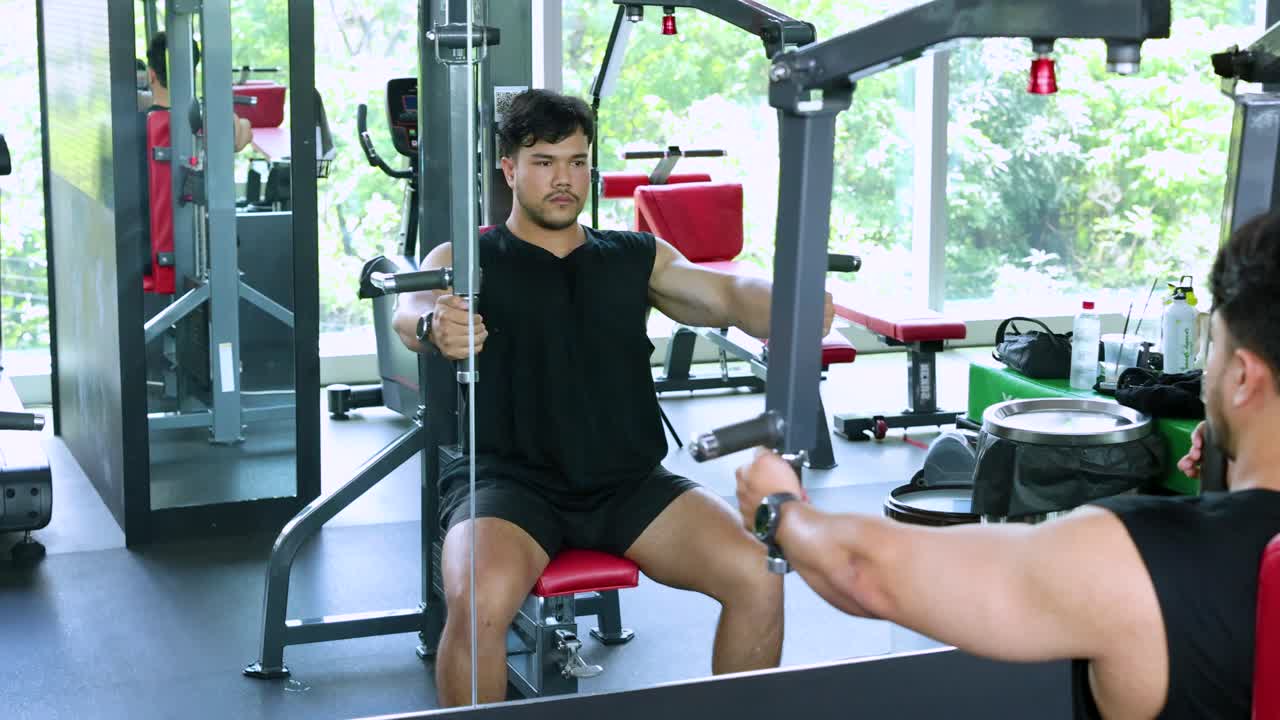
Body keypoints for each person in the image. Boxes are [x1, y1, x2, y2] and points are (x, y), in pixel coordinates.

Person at [735, 209, 1280, 719]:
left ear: (1242, 378)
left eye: (1212, 352)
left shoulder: (1138, 560)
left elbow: (865, 574)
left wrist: (779, 510)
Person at [393, 89, 835, 706]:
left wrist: (794, 295)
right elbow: (411, 310)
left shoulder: (636, 257)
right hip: (507, 483)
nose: (564, 179)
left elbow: (729, 291)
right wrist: (433, 326)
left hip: (629, 484)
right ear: (509, 169)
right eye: (545, 161)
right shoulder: (468, 257)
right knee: (476, 604)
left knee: (759, 573)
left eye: (577, 161)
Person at [145, 32, 253, 153]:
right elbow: (243, 131)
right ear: (194, 74)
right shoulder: (205, 125)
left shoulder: (141, 126)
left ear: (150, 74)